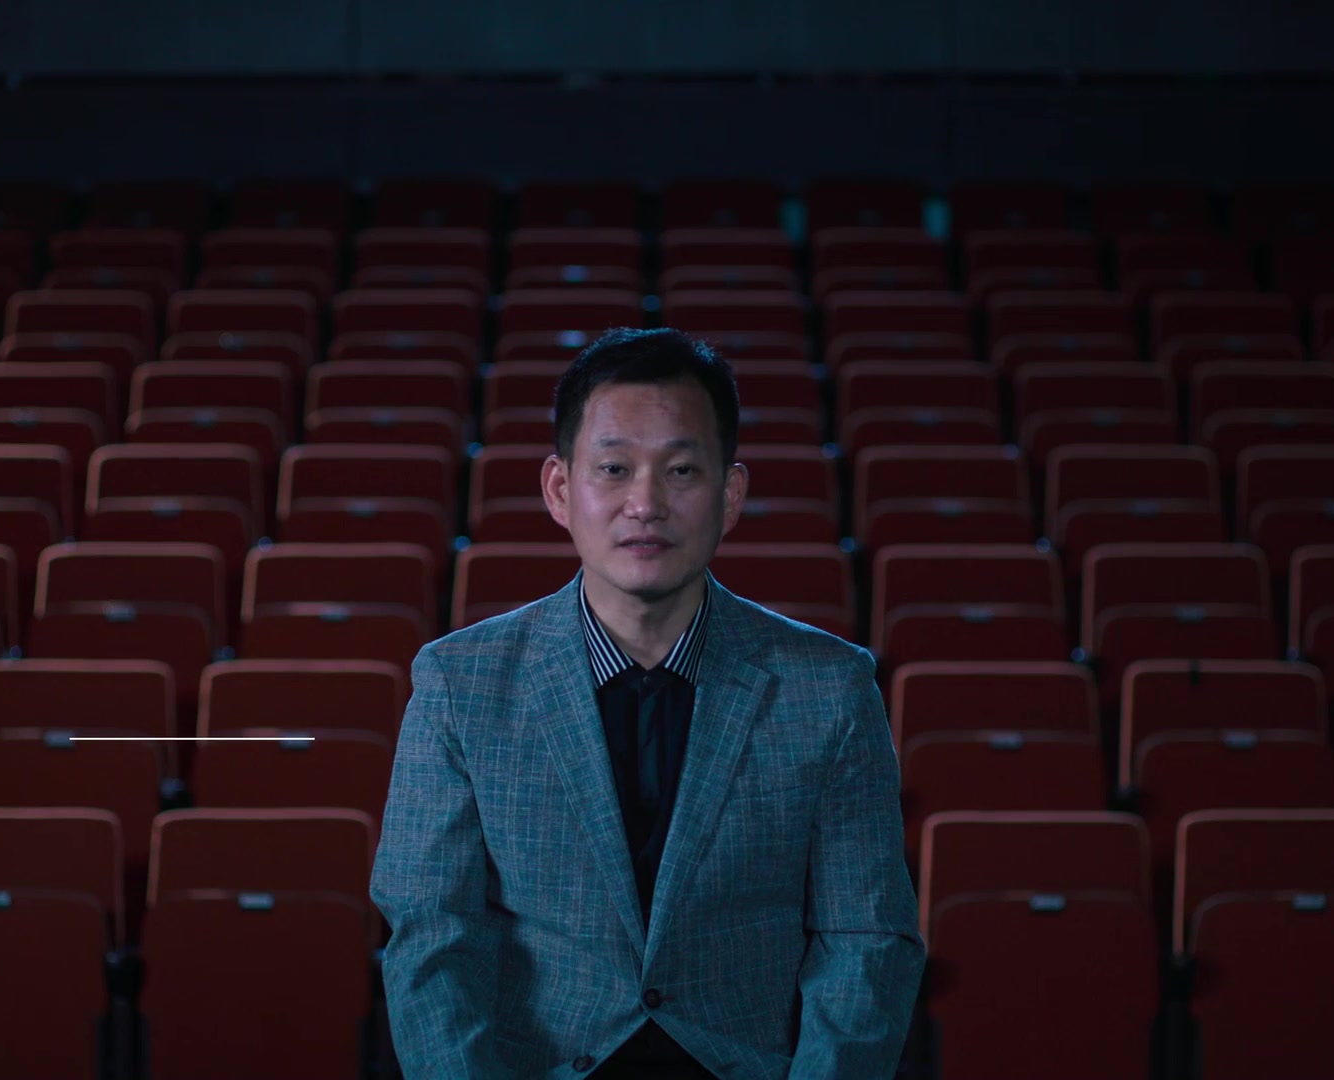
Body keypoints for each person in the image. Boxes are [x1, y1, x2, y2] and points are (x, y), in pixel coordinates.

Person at [369, 327, 924, 1079]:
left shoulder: (830, 687)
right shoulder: (458, 683)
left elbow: (866, 937)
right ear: (560, 490)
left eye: (682, 470)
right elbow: (431, 937)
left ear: (730, 494)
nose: (645, 503)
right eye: (614, 468)